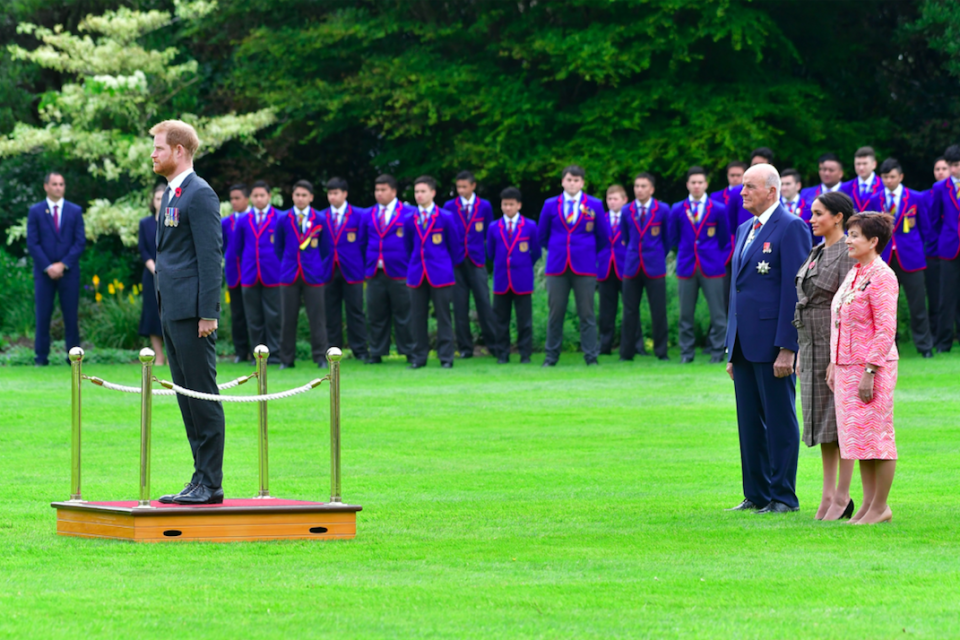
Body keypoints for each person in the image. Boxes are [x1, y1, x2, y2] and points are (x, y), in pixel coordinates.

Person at [725, 163, 811, 514]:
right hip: (745, 344)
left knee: (779, 420)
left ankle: (783, 496)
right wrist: (732, 347)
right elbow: (739, 288)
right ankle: (757, 493)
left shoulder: (791, 227)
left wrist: (788, 347)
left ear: (771, 191)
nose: (741, 192)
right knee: (749, 423)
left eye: (749, 186)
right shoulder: (746, 226)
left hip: (774, 344)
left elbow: (795, 291)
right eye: (742, 186)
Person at [149, 119, 225, 505]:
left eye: (159, 147)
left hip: (194, 314)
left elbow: (211, 258)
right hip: (174, 311)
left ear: (179, 151)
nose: (153, 154)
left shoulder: (200, 194)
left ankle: (211, 484)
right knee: (186, 399)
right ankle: (199, 479)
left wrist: (208, 314)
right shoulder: (173, 192)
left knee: (202, 398)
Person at [828, 212, 899, 525]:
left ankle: (881, 506)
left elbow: (885, 328)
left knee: (878, 438)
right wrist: (834, 362)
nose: (848, 240)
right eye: (848, 234)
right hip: (847, 366)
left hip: (872, 366)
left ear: (873, 241)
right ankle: (868, 506)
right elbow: (840, 320)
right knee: (860, 440)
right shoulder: (856, 272)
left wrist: (870, 370)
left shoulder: (883, 276)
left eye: (854, 235)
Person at [793, 191, 856, 521]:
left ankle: (842, 496)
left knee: (840, 422)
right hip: (811, 344)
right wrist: (803, 350)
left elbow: (847, 309)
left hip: (834, 345)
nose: (812, 218)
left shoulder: (847, 253)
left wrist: (837, 356)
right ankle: (828, 494)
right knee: (822, 425)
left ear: (838, 217)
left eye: (818, 213)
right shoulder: (817, 250)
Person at [538, 165, 605, 366]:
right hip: (557, 266)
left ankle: (591, 357)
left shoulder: (595, 205)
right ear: (562, 182)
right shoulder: (550, 204)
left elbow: (603, 237)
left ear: (582, 183)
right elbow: (542, 235)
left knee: (587, 313)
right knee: (555, 313)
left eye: (576, 180)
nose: (572, 184)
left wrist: (587, 254)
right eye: (569, 180)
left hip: (584, 267)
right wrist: (558, 250)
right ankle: (551, 357)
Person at [871, 158, 934, 358]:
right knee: (885, 306)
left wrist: (919, 249)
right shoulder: (875, 199)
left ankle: (925, 347)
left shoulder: (916, 197)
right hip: (885, 257)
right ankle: (889, 348)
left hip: (911, 256)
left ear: (901, 177)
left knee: (917, 305)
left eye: (892, 177)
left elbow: (926, 228)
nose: (889, 180)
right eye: (885, 177)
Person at [670, 166, 730, 364]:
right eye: (693, 182)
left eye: (700, 182)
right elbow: (673, 237)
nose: (696, 186)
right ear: (688, 184)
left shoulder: (719, 209)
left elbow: (725, 240)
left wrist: (718, 260)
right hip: (687, 266)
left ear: (706, 184)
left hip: (712, 267)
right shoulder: (678, 208)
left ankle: (717, 352)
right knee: (685, 314)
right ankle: (686, 353)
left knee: (718, 314)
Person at [26, 172, 85, 366]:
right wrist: (48, 266)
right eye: (55, 184)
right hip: (44, 274)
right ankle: (41, 358)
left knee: (71, 316)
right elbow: (33, 243)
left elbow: (79, 242)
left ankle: (73, 358)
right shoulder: (36, 211)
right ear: (46, 187)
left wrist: (63, 264)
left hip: (69, 272)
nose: (58, 187)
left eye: (61, 184)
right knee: (43, 316)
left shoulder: (75, 211)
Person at [274, 180, 331, 369]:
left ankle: (321, 357)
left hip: (313, 275)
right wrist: (289, 262)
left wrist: (315, 265)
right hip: (289, 274)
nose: (300, 199)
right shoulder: (283, 218)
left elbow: (326, 248)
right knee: (288, 318)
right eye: (297, 195)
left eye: (304, 195)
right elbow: (278, 248)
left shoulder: (320, 219)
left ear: (311, 198)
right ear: (292, 196)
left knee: (318, 318)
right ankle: (286, 359)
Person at [404, 175, 459, 369]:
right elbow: (408, 247)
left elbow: (455, 247)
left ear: (432, 193)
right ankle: (419, 357)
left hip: (440, 273)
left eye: (422, 191)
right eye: (416, 192)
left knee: (443, 316)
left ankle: (446, 357)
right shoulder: (409, 219)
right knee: (417, 317)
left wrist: (445, 265)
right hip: (417, 273)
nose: (419, 195)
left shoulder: (445, 217)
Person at [362, 174, 415, 364]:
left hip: (400, 271)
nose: (379, 194)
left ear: (393, 191)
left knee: (404, 314)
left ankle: (409, 351)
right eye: (377, 190)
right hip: (375, 271)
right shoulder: (368, 214)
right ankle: (376, 352)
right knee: (376, 314)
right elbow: (362, 242)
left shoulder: (408, 212)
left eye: (383, 190)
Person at [444, 171, 496, 359]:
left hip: (477, 260)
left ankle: (493, 346)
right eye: (458, 187)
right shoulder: (450, 206)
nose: (461, 190)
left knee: (484, 303)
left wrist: (487, 256)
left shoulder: (485, 206)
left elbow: (489, 233)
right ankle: (465, 348)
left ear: (473, 186)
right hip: (457, 261)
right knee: (460, 306)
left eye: (464, 187)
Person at [620, 172, 670, 361]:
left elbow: (667, 239)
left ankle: (661, 352)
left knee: (658, 310)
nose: (639, 190)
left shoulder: (663, 209)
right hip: (632, 265)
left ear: (652, 189)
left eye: (643, 186)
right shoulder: (626, 210)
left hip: (654, 266)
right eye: (636, 186)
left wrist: (656, 255)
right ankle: (627, 353)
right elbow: (625, 237)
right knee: (629, 311)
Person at [487, 187, 540, 364]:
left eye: (511, 204)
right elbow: (491, 252)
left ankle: (525, 354)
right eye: (504, 204)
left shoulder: (530, 226)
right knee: (501, 320)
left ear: (519, 205)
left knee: (524, 320)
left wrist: (523, 265)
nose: (508, 208)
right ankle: (502, 354)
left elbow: (536, 252)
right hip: (502, 279)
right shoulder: (494, 227)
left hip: (522, 278)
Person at [233, 180, 282, 364]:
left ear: (269, 196)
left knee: (274, 316)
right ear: (251, 198)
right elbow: (236, 249)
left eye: (262, 195)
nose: (259, 199)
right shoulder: (244, 220)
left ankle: (275, 353)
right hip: (250, 273)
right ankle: (258, 355)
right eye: (255, 196)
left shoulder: (279, 217)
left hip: (273, 274)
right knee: (253, 318)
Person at [322, 177, 369, 362]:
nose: (332, 197)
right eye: (330, 193)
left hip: (352, 269)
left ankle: (360, 350)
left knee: (355, 311)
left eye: (336, 193)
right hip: (328, 270)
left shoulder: (359, 215)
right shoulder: (321, 216)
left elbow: (364, 243)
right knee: (330, 312)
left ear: (345, 194)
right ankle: (333, 351)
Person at [598, 184, 643, 355]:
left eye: (615, 199)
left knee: (631, 309)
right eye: (609, 199)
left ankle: (637, 345)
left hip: (626, 267)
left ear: (625, 200)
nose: (611, 202)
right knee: (606, 311)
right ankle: (605, 346)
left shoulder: (631, 218)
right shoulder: (601, 219)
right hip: (606, 268)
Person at [931, 144, 960, 352]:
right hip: (949, 247)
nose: (955, 169)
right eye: (952, 165)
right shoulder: (940, 188)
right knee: (946, 297)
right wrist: (944, 238)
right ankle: (943, 343)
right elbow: (934, 219)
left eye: (958, 165)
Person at [138, 184, 167, 365]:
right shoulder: (145, 223)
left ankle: (172, 356)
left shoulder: (173, 221)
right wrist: (155, 268)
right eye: (158, 198)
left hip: (172, 275)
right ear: (153, 201)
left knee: (170, 316)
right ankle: (159, 355)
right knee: (152, 315)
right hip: (151, 276)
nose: (161, 202)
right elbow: (142, 249)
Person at [222, 184, 251, 364]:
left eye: (237, 198)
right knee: (238, 315)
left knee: (255, 315)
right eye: (231, 198)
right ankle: (241, 352)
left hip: (253, 273)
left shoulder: (253, 219)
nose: (234, 202)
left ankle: (259, 350)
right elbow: (225, 246)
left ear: (246, 199)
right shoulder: (225, 223)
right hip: (234, 274)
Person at [924, 157, 950, 339]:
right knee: (936, 295)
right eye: (937, 168)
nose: (940, 172)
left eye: (944, 168)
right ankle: (937, 335)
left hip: (950, 249)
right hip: (935, 251)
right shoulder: (926, 195)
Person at [840, 146, 882, 212]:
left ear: (874, 164)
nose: (861, 167)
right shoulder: (845, 188)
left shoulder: (883, 186)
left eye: (865, 164)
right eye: (858, 164)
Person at [780, 169, 812, 242]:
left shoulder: (809, 207)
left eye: (788, 184)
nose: (784, 188)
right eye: (782, 184)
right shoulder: (774, 207)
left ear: (798, 186)